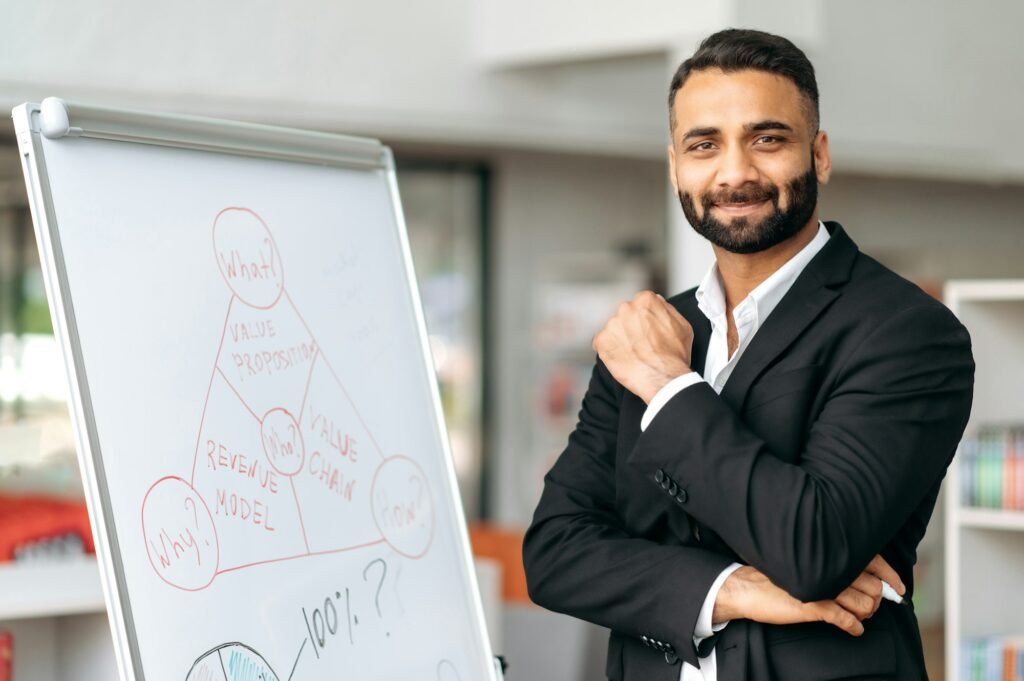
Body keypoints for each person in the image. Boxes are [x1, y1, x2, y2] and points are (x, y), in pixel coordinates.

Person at [522, 28, 974, 681]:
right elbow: (555, 553)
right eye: (704, 145)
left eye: (767, 139)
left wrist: (669, 385)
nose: (735, 173)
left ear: (819, 155)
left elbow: (813, 546)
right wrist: (731, 588)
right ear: (675, 166)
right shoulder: (651, 331)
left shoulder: (906, 331)